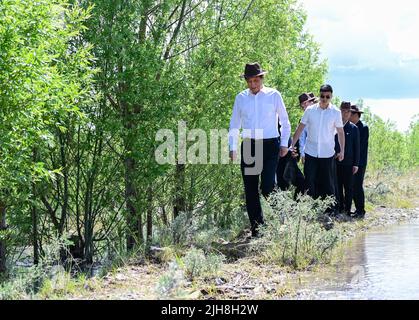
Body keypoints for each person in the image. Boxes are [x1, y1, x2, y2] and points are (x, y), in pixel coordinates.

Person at [229, 63, 291, 237]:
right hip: (249, 145)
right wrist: (232, 146)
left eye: (256, 80)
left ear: (262, 79)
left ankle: (282, 216)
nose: (253, 84)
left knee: (267, 186)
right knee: (250, 189)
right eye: (249, 81)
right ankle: (258, 229)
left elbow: (285, 122)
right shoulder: (240, 98)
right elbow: (234, 124)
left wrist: (284, 143)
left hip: (270, 144)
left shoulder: (274, 95)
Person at [290, 84, 345, 214]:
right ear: (319, 95)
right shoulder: (310, 111)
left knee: (328, 183)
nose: (324, 99)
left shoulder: (335, 112)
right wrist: (292, 144)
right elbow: (300, 128)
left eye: (327, 96)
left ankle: (331, 210)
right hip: (311, 152)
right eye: (322, 96)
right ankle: (311, 210)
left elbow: (341, 133)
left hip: (327, 153)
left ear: (331, 97)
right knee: (309, 182)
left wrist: (342, 150)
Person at [334, 102, 360, 214]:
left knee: (348, 187)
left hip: (349, 163)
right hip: (335, 162)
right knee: (337, 186)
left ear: (350, 113)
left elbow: (357, 148)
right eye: (343, 111)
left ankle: (348, 210)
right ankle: (339, 208)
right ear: (339, 111)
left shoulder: (354, 128)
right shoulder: (334, 126)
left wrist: (356, 164)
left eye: (347, 111)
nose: (345, 113)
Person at [350, 105, 369, 218]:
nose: (349, 116)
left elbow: (360, 146)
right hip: (351, 161)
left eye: (352, 114)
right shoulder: (350, 127)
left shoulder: (363, 127)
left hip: (360, 162)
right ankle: (356, 209)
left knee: (357, 185)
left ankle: (361, 210)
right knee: (351, 185)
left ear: (357, 115)